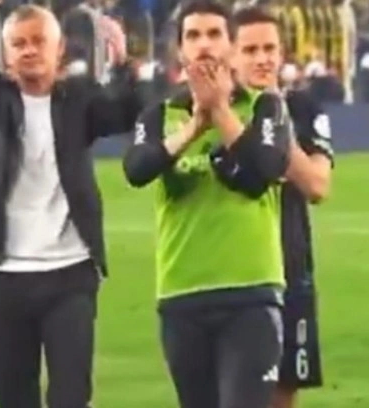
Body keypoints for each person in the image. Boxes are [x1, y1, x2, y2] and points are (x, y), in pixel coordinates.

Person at [0, 0, 139, 407]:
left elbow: (124, 113)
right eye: (18, 43)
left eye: (38, 41)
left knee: (71, 396)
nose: (29, 50)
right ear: (5, 54)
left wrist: (123, 64)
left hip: (69, 273)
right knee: (14, 399)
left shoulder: (79, 98)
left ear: (58, 48)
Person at [122, 2, 289, 407]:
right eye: (193, 36)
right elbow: (137, 169)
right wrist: (195, 126)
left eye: (215, 34)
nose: (204, 45)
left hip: (251, 292)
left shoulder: (265, 107)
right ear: (179, 50)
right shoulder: (159, 114)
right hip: (182, 293)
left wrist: (220, 112)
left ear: (231, 46)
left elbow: (267, 166)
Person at [226, 7, 334, 408]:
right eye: (250, 49)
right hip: (230, 272)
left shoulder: (302, 109)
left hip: (290, 268)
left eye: (269, 49)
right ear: (231, 54)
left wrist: (276, 123)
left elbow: (318, 185)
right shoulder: (215, 112)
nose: (262, 59)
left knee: (282, 393)